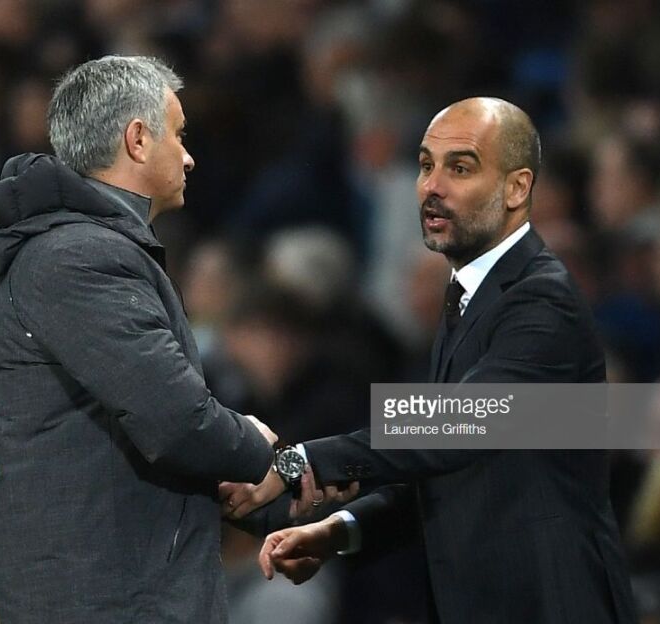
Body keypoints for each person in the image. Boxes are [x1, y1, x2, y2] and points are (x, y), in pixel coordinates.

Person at [223, 97, 638, 623]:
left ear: (517, 188)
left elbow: (460, 424)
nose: (432, 186)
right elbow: (455, 474)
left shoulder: (541, 299)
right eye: (425, 165)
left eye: (459, 168)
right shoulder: (469, 295)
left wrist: (302, 460)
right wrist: (339, 530)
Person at [0, 56, 277, 623]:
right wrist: (257, 447)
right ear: (138, 140)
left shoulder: (81, 248)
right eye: (180, 134)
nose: (188, 156)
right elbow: (177, 419)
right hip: (109, 601)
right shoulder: (81, 255)